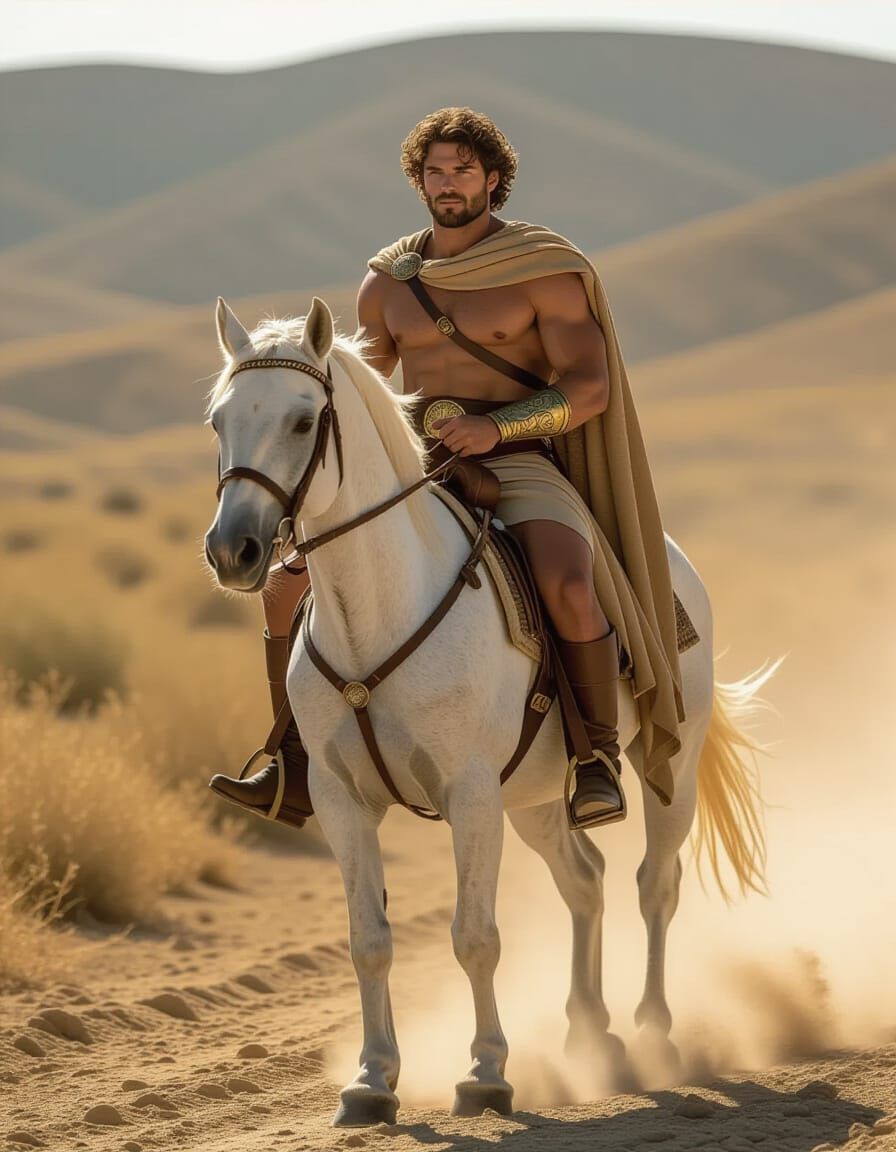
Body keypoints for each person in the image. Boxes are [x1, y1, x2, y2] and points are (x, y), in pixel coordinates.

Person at [210, 107, 685, 831]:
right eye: (434, 171)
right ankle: (293, 762)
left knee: (562, 576)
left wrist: (495, 426)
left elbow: (590, 388)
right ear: (418, 181)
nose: (447, 183)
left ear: (495, 179)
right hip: (415, 466)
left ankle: (594, 756)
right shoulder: (388, 283)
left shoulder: (544, 270)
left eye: (462, 169)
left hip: (521, 462)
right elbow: (365, 391)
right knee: (284, 590)